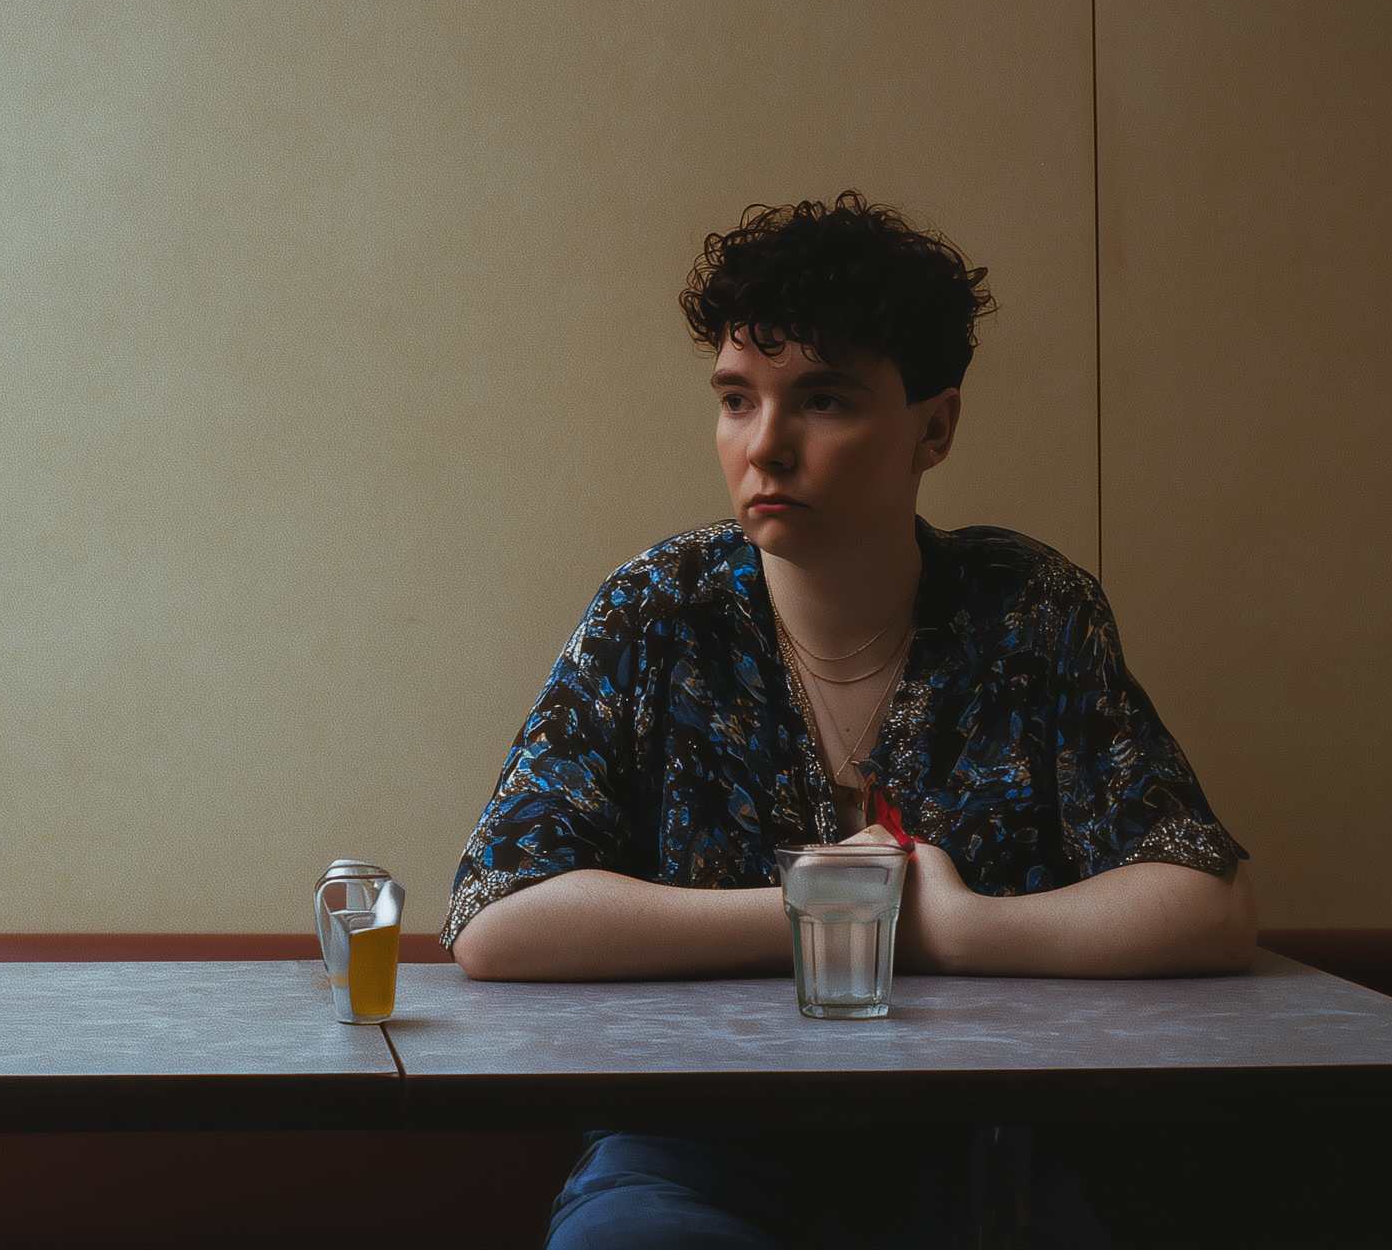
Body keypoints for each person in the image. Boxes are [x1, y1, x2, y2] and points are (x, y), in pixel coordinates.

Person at [443, 193, 1255, 1248]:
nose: (764, 447)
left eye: (820, 401)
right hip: (689, 1150)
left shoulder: (1022, 610)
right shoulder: (660, 609)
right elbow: (499, 914)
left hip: (978, 1151)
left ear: (934, 427)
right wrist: (839, 912)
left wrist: (966, 933)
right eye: (735, 400)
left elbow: (1206, 901)